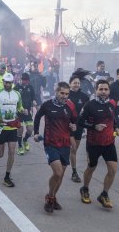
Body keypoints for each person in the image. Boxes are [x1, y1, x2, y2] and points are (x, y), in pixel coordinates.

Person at [33, 82, 77, 213]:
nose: (64, 96)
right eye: (62, 93)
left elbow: (74, 121)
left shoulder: (70, 106)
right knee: (57, 172)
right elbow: (37, 117)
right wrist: (36, 132)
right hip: (50, 143)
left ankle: (52, 196)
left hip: (65, 144)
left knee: (61, 175)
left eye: (67, 94)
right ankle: (50, 197)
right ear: (56, 92)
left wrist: (73, 130)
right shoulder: (47, 105)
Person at [78, 80, 119, 209]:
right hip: (93, 143)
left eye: (105, 89)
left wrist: (116, 129)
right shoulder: (89, 105)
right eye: (100, 89)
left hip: (109, 143)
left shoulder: (112, 104)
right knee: (91, 168)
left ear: (109, 91)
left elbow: (113, 119)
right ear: (96, 90)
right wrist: (94, 126)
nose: (103, 92)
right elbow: (80, 122)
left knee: (113, 170)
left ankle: (104, 194)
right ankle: (85, 188)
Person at [0, 73, 27, 187]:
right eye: (6, 82)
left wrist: (23, 110)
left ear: (12, 83)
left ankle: (7, 176)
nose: (8, 84)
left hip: (12, 126)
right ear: (3, 82)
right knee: (0, 153)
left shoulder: (17, 94)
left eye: (10, 82)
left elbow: (19, 107)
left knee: (12, 151)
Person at [67, 75, 89, 182]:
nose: (77, 85)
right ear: (70, 83)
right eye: (75, 83)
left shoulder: (84, 96)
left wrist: (86, 125)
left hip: (79, 126)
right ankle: (72, 171)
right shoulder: (65, 95)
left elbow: (88, 112)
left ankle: (73, 171)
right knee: (72, 147)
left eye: (78, 83)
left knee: (74, 149)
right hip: (66, 126)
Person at [14, 73, 36, 155]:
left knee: (30, 130)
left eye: (27, 81)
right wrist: (20, 109)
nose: (25, 82)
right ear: (21, 79)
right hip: (19, 112)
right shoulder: (16, 88)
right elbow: (13, 100)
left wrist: (34, 102)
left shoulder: (30, 87)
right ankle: (19, 146)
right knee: (20, 130)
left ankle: (25, 140)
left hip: (28, 113)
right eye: (24, 80)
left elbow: (33, 97)